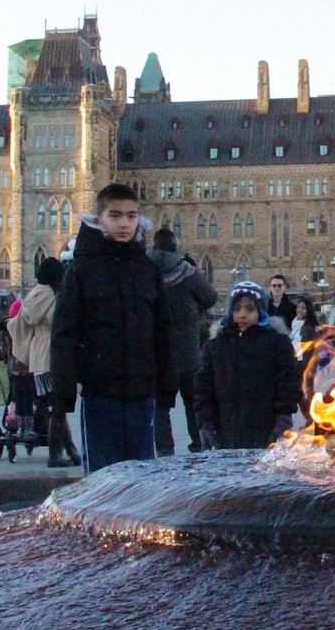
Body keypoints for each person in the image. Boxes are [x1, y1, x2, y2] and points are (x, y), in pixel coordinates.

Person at [50, 183, 175, 471]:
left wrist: (167, 384)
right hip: (99, 391)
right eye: (115, 215)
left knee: (142, 475)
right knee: (102, 476)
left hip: (141, 391)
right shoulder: (81, 270)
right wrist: (64, 391)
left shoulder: (147, 269)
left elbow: (162, 331)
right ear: (99, 219)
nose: (124, 223)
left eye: (131, 216)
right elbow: (64, 333)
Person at [195, 280, 302, 449]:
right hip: (226, 431)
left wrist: (284, 416)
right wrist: (205, 422)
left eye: (250, 309)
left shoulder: (276, 343)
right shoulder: (216, 346)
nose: (242, 315)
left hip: (265, 429)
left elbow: (288, 381)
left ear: (261, 312)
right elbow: (204, 388)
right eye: (237, 309)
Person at [149, 226, 218, 455]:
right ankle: (197, 445)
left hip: (157, 350)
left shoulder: (143, 269)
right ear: (174, 246)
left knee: (160, 406)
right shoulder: (186, 271)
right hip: (187, 349)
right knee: (193, 403)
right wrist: (192, 309)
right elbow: (210, 297)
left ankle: (165, 450)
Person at [9, 256, 81, 467]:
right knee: (58, 408)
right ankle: (55, 455)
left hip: (40, 356)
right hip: (51, 353)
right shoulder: (51, 294)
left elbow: (19, 323)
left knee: (56, 407)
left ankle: (70, 451)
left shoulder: (34, 294)